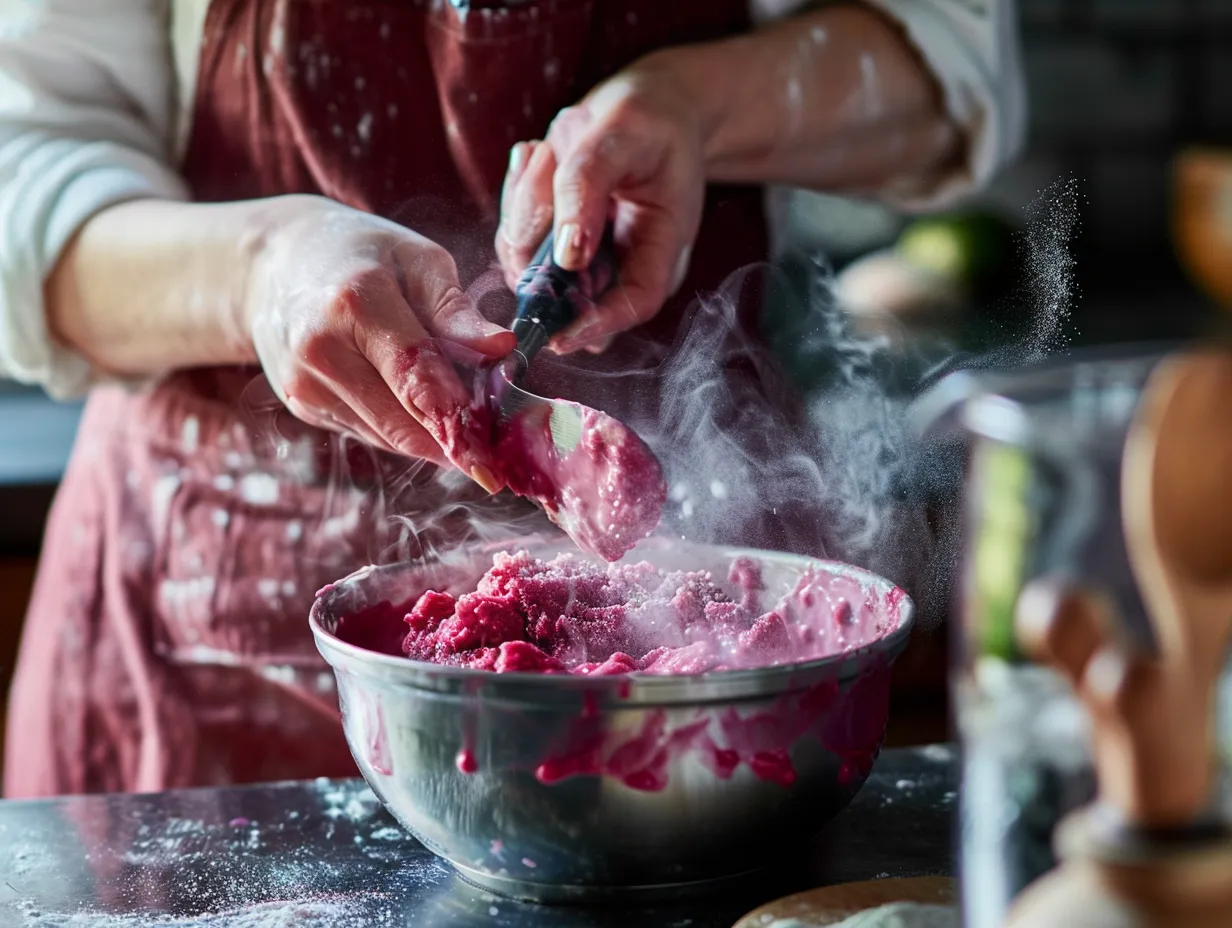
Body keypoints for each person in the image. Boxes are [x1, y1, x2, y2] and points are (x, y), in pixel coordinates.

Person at [0, 0, 1025, 798]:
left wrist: (691, 103)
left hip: (683, 689)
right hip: (209, 651)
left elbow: (950, 68)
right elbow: (22, 175)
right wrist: (259, 271)